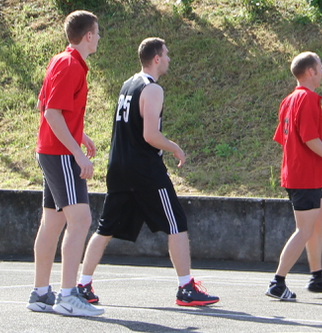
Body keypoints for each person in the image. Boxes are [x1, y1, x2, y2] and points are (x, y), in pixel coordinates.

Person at [78, 37, 218, 307]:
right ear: (156, 58)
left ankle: (83, 284)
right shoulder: (152, 89)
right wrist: (175, 147)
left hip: (118, 166)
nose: (169, 59)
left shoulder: (127, 84)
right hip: (144, 169)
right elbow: (150, 135)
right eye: (166, 54)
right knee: (176, 223)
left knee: (105, 227)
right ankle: (186, 287)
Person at [28, 10, 104, 317]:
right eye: (97, 33)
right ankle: (68, 295)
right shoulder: (70, 64)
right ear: (88, 36)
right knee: (81, 220)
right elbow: (50, 112)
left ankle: (40, 293)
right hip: (59, 154)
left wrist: (79, 134)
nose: (99, 38)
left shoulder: (62, 61)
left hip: (52, 150)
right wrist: (77, 153)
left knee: (54, 222)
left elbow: (45, 104)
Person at [266, 52, 322, 301]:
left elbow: (283, 138)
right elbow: (310, 138)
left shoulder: (289, 100)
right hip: (304, 176)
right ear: (311, 72)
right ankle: (277, 282)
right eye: (320, 68)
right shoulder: (308, 98)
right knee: (304, 230)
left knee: (320, 220)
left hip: (300, 173)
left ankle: (317, 277)